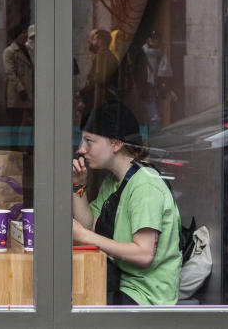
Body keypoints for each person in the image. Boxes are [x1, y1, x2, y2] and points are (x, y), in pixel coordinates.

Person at [71, 101, 182, 305]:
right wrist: (78, 187)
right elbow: (90, 226)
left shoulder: (145, 186)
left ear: (116, 143)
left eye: (89, 141)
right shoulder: (113, 180)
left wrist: (85, 236)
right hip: (118, 280)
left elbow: (144, 254)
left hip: (144, 296)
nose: (81, 149)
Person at [2, 23, 34, 125]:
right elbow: (10, 72)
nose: (26, 35)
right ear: (18, 35)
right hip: (18, 94)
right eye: (23, 32)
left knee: (28, 124)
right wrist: (21, 89)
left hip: (29, 92)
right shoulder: (9, 51)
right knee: (15, 123)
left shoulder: (29, 49)